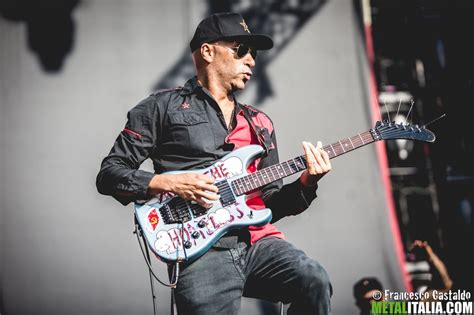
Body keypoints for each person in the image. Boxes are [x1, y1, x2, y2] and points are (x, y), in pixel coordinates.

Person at [97, 12, 332, 315]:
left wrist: (307, 182)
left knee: (313, 279)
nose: (252, 61)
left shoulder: (259, 122)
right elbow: (109, 174)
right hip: (199, 252)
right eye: (241, 50)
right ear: (207, 51)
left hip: (256, 244)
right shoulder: (161, 107)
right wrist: (167, 182)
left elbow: (272, 202)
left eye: (254, 54)